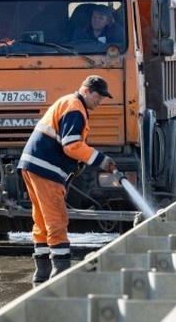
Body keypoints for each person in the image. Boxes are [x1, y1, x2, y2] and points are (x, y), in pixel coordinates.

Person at [18, 75, 118, 284]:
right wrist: (101, 160)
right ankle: (61, 270)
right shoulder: (75, 107)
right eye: (98, 97)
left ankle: (42, 271)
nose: (100, 102)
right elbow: (71, 145)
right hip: (46, 169)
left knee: (42, 219)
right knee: (56, 218)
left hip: (31, 165)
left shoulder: (68, 103)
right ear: (87, 91)